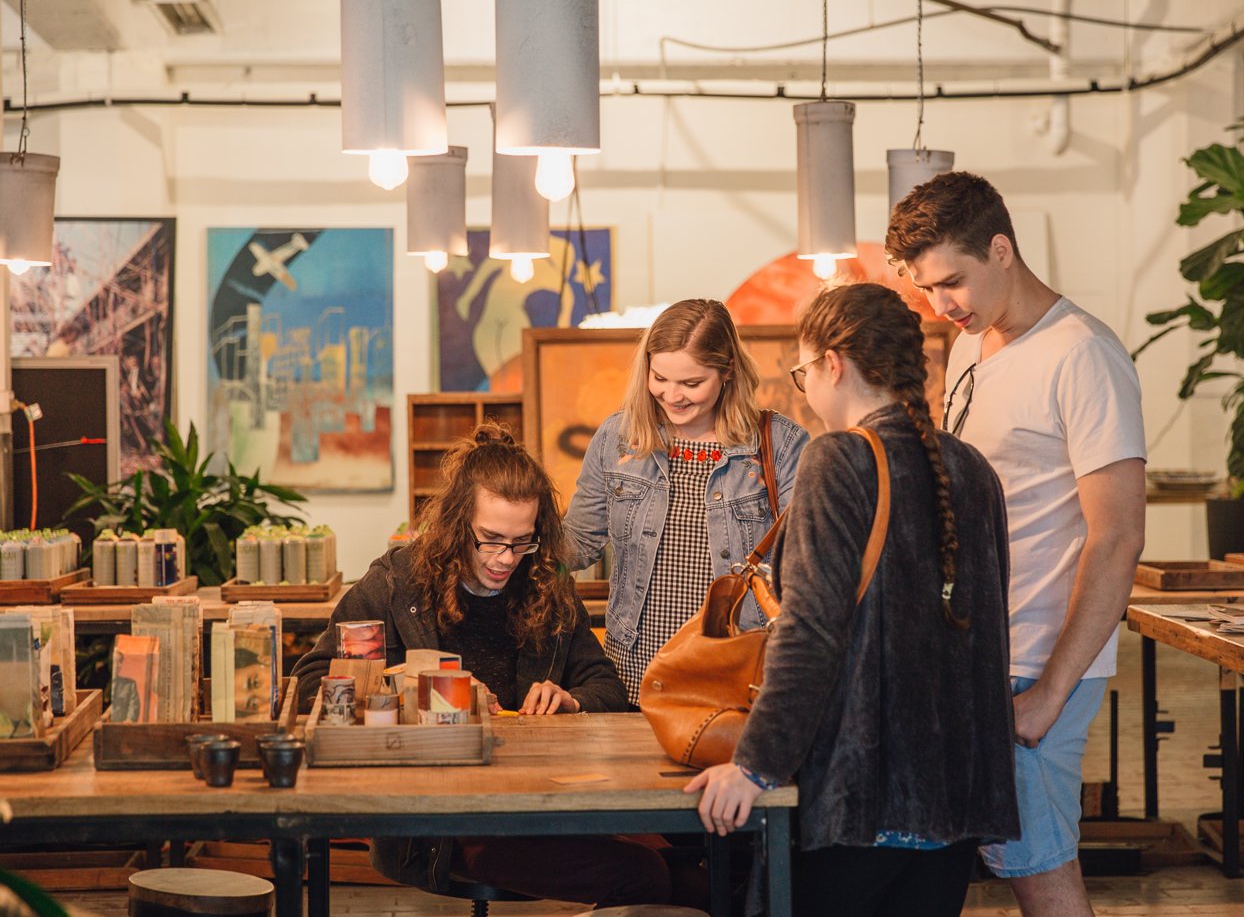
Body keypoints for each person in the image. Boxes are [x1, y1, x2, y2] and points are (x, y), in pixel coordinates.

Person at [687, 282, 1020, 917]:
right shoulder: (973, 468)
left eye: (803, 370)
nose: (805, 386)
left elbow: (810, 630)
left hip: (864, 797)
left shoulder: (837, 459)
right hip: (956, 801)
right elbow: (988, 635)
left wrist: (754, 766)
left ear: (832, 364)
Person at [885, 171, 1147, 916]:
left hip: (1036, 659)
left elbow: (1119, 536)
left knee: (1040, 867)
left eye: (951, 282)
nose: (940, 306)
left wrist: (1050, 693)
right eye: (926, 289)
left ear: (1001, 248)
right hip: (983, 653)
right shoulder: (977, 345)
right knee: (1012, 860)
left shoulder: (1083, 354)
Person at [291, 425, 669, 908]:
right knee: (646, 874)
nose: (505, 559)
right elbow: (310, 686)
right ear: (455, 522)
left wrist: (572, 699)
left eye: (521, 541)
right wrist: (428, 695)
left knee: (689, 864)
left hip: (537, 801)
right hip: (437, 824)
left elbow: (608, 689)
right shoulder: (395, 586)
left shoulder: (544, 583)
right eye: (489, 540)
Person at [563, 299, 809, 704]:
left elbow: (804, 567)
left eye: (692, 384)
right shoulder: (618, 437)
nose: (672, 395)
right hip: (633, 673)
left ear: (728, 370)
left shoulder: (780, 445)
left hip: (732, 675)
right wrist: (512, 539)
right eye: (659, 377)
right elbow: (577, 543)